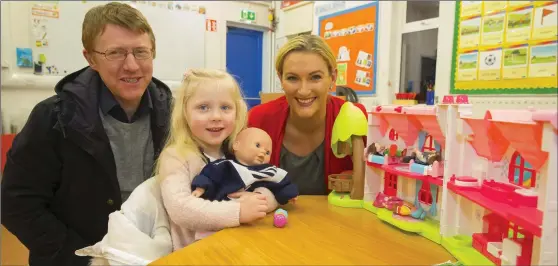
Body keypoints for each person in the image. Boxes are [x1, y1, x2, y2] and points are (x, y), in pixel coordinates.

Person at [1, 3, 172, 265]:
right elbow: (16, 203)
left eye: (141, 52)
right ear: (91, 58)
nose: (132, 65)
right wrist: (86, 258)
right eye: (115, 53)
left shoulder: (172, 113)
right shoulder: (53, 118)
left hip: (152, 256)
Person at [155, 69, 277, 251]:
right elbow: (180, 209)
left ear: (237, 112)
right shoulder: (176, 156)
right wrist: (238, 211)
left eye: (225, 107)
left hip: (238, 246)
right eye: (203, 107)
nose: (216, 117)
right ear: (185, 113)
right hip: (196, 255)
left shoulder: (236, 152)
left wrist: (260, 199)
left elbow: (271, 185)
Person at [248, 35, 367, 195]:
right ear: (280, 79)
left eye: (315, 77)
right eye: (292, 78)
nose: (304, 90)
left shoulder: (354, 117)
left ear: (332, 78)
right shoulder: (258, 119)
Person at [191, 127, 299, 205]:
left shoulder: (267, 171)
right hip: (223, 209)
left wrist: (289, 193)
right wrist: (201, 187)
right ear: (236, 145)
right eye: (257, 145)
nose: (262, 152)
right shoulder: (227, 165)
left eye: (267, 152)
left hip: (252, 216)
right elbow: (210, 175)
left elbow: (281, 183)